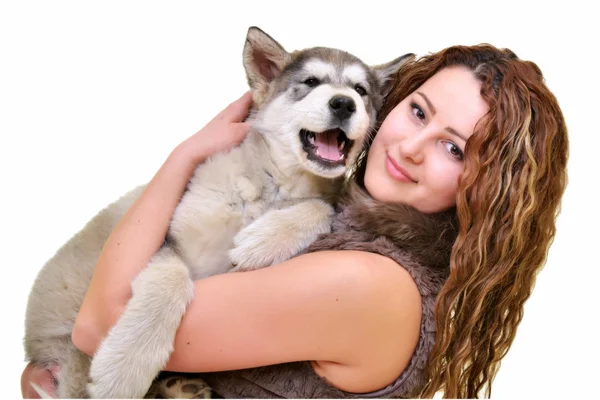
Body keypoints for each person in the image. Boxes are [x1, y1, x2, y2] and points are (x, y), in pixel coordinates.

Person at [21, 43, 568, 398]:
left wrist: (184, 155)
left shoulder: (366, 282)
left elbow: (100, 328)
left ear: (486, 185)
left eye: (454, 148)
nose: (414, 146)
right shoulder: (342, 232)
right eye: (418, 111)